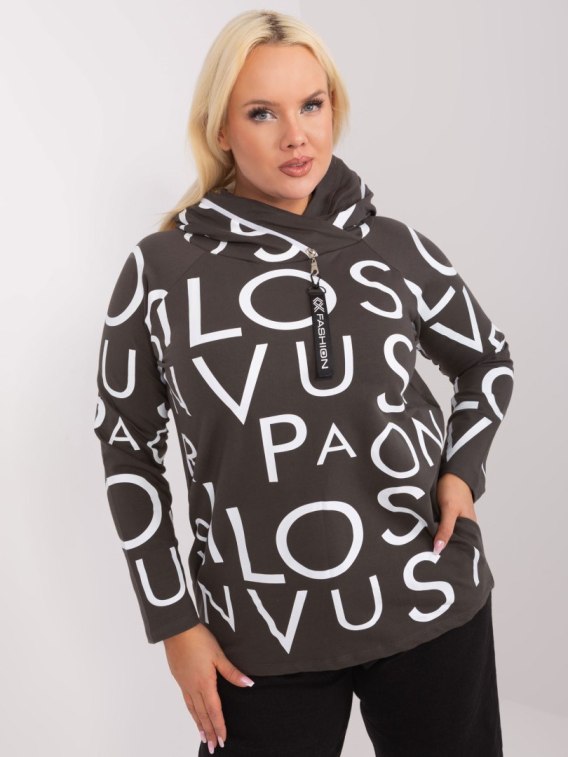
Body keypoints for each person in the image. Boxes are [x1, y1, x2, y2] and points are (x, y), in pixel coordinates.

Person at [93, 9, 514, 756]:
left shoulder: (394, 247)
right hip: (257, 634)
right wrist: (174, 622)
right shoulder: (161, 272)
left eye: (312, 105)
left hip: (427, 598)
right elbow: (128, 447)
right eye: (263, 113)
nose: (297, 136)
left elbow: (488, 359)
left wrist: (462, 472)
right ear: (221, 129)